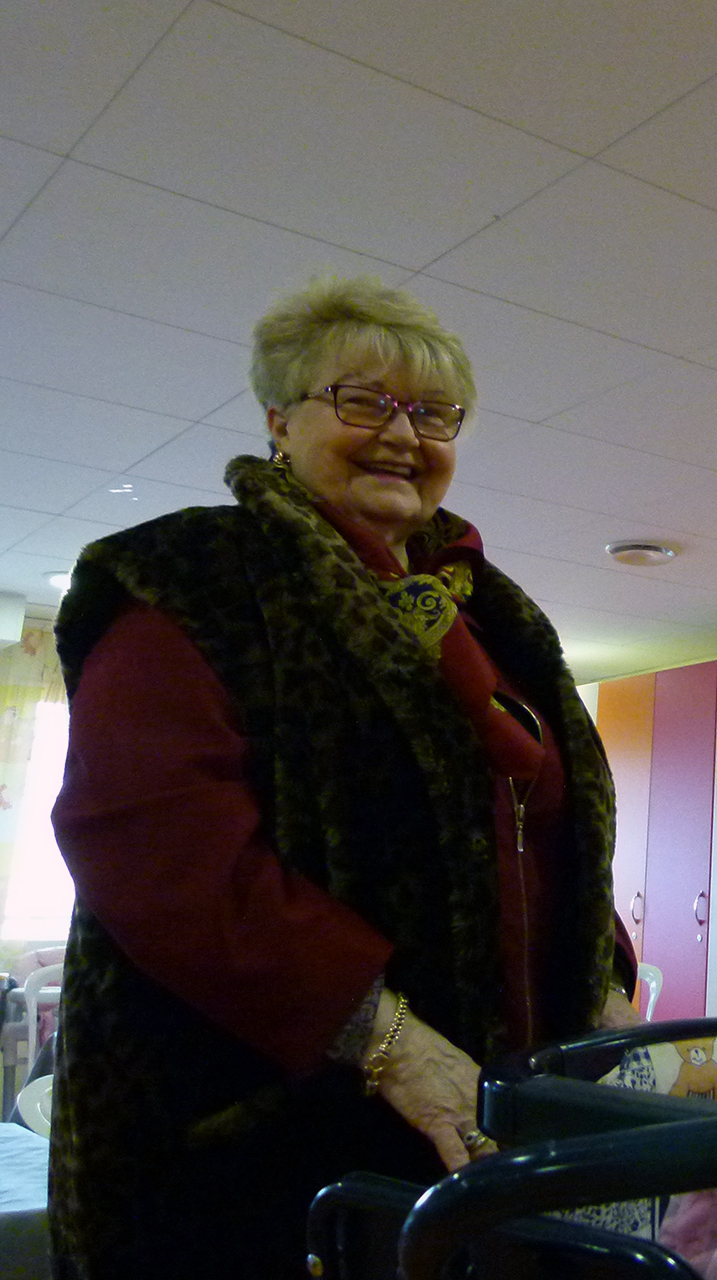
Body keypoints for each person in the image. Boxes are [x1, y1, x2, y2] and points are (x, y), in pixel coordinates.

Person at [48, 277, 642, 1279]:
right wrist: (387, 1040)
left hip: (498, 1128)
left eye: (434, 413)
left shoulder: (488, 617)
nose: (402, 435)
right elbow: (157, 852)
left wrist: (608, 977)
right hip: (265, 1147)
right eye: (363, 401)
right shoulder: (192, 579)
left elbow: (545, 830)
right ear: (279, 418)